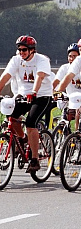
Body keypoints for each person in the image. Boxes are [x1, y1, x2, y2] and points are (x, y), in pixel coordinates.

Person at [0, 35, 53, 172]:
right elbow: (6, 76)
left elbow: (40, 76)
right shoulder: (16, 59)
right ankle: (23, 139)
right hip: (23, 94)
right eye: (19, 49)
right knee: (11, 117)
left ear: (32, 50)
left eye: (24, 49)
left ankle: (34, 159)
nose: (21, 52)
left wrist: (34, 91)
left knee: (30, 123)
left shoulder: (42, 60)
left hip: (42, 95)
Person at [53, 43, 81, 128]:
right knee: (65, 114)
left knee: (78, 114)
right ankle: (66, 136)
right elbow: (56, 81)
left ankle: (78, 136)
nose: (72, 59)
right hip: (70, 98)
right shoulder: (64, 68)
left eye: (75, 56)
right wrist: (51, 91)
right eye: (70, 56)